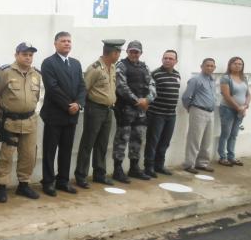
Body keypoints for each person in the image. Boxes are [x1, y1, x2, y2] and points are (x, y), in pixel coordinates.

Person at [0, 42, 42, 202]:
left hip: (30, 121)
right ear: (16, 55)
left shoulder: (36, 74)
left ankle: (24, 185)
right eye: (24, 54)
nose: (28, 57)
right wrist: (6, 109)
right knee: (6, 155)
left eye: (30, 55)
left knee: (29, 155)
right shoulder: (5, 72)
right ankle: (1, 186)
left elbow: (38, 96)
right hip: (10, 121)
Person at [39, 31, 86, 196]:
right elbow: (52, 88)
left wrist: (78, 104)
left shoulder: (76, 63)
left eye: (69, 41)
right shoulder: (48, 63)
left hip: (71, 116)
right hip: (54, 115)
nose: (67, 43)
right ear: (55, 44)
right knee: (50, 151)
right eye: (63, 41)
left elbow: (82, 86)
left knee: (66, 150)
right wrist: (68, 105)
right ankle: (48, 182)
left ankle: (63, 181)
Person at [74, 39, 124, 189]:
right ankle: (81, 175)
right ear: (113, 53)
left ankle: (99, 174)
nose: (119, 55)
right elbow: (84, 89)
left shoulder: (113, 67)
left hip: (108, 110)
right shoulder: (95, 68)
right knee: (88, 143)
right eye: (118, 52)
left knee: (102, 144)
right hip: (95, 109)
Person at [112, 40, 156, 183]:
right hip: (126, 109)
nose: (134, 54)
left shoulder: (145, 67)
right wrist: (138, 101)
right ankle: (117, 170)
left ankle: (134, 168)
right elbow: (121, 87)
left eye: (136, 51)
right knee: (121, 140)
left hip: (141, 111)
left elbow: (152, 85)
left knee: (138, 139)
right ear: (127, 52)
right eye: (131, 51)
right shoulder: (121, 65)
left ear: (141, 53)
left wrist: (148, 100)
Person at [143, 50, 181, 177]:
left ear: (176, 61)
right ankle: (148, 167)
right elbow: (148, 92)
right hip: (156, 114)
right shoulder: (155, 74)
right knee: (153, 142)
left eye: (171, 58)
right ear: (162, 59)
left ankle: (159, 166)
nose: (168, 60)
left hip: (171, 115)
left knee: (165, 142)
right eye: (165, 58)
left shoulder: (177, 75)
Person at [181, 58, 217, 174]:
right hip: (198, 111)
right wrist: (190, 108)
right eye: (207, 65)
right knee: (194, 139)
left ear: (214, 68)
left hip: (210, 113)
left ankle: (202, 163)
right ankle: (189, 164)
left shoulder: (212, 80)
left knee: (207, 140)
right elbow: (186, 97)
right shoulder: (196, 80)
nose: (210, 68)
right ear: (201, 66)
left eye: (212, 66)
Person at [217, 57, 251, 167]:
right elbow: (226, 96)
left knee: (234, 134)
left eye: (240, 64)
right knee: (225, 134)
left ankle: (231, 157)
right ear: (230, 65)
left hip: (240, 110)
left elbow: (248, 94)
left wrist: (245, 106)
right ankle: (222, 157)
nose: (238, 65)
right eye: (235, 63)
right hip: (227, 109)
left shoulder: (244, 78)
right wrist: (238, 108)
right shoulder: (226, 78)